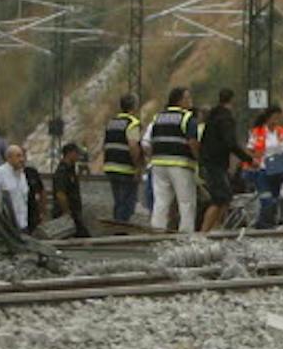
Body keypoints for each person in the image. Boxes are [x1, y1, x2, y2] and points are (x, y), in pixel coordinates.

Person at [196, 88, 255, 232]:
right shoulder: (226, 118)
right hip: (216, 163)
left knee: (224, 196)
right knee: (220, 198)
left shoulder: (212, 117)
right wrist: (248, 159)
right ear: (232, 100)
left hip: (209, 161)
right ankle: (206, 231)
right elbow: (230, 143)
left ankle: (214, 228)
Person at [142, 87, 200, 232]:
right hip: (180, 164)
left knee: (161, 201)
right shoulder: (187, 118)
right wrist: (199, 159)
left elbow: (150, 141)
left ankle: (157, 231)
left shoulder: (158, 117)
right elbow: (193, 142)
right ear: (180, 100)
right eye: (188, 98)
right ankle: (185, 234)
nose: (190, 101)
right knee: (186, 202)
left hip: (158, 164)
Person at [100, 94, 144, 224]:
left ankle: (117, 227)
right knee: (127, 202)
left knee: (118, 201)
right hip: (126, 168)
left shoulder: (111, 122)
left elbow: (105, 145)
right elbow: (133, 146)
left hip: (110, 166)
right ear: (134, 106)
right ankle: (121, 228)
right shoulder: (132, 123)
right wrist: (137, 167)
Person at [251, 107, 283, 228]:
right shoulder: (258, 131)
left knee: (275, 196)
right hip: (263, 168)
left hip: (277, 169)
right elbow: (252, 148)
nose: (277, 120)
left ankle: (269, 221)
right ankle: (263, 222)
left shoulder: (280, 131)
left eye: (279, 117)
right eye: (275, 117)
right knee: (266, 197)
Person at [0, 143, 29, 234]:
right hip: (6, 227)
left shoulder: (22, 175)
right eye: (18, 156)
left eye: (22, 156)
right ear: (9, 158)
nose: (22, 159)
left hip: (22, 224)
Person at [53, 143, 92, 239]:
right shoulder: (62, 171)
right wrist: (67, 212)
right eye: (76, 153)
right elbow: (60, 194)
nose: (78, 156)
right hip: (66, 213)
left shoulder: (71, 169)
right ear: (69, 154)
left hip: (74, 212)